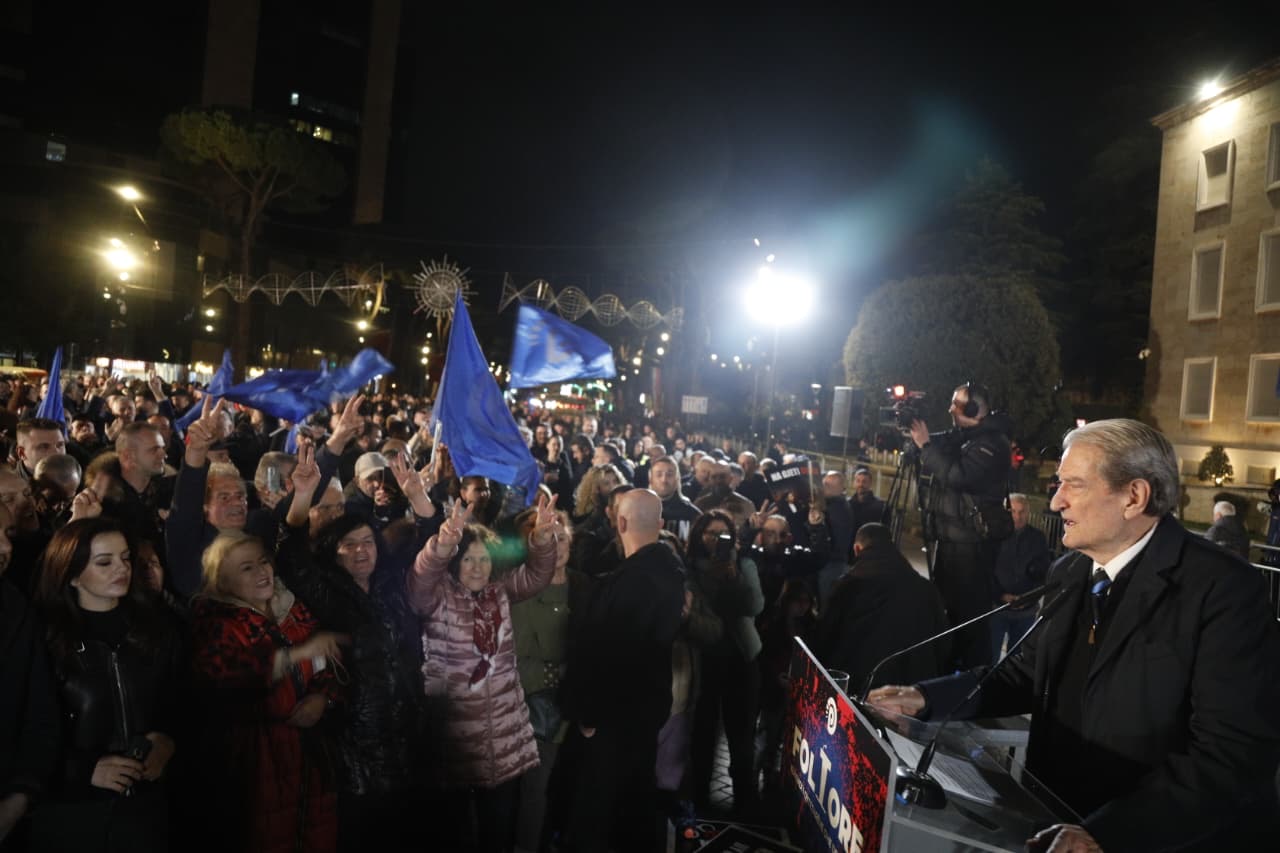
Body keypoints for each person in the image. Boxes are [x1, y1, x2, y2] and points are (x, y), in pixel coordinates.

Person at [870, 419, 1280, 852]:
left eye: (1074, 485)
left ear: (1133, 497)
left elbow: (1233, 755)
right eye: (1058, 484)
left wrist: (1107, 834)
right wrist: (925, 698)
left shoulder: (1224, 588)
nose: (1056, 502)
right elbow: (1024, 674)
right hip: (1056, 821)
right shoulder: (1068, 571)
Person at [277, 445, 430, 853]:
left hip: (407, 740)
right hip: (356, 752)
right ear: (332, 552)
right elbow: (289, 553)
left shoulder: (393, 587)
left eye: (368, 542)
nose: (362, 550)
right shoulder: (326, 594)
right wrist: (303, 497)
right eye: (350, 544)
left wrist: (418, 499)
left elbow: (435, 548)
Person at [407, 498, 563, 852]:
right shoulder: (437, 597)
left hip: (502, 741)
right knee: (455, 835)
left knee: (499, 834)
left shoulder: (500, 592)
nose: (476, 568)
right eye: (467, 559)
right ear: (454, 563)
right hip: (455, 743)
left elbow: (538, 575)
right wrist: (444, 543)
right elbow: (420, 579)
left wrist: (541, 537)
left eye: (483, 559)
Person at [30, 518, 182, 852]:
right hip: (71, 815)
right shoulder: (44, 641)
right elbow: (25, 734)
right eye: (104, 562)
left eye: (126, 558)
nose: (121, 569)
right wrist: (82, 771)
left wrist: (168, 741)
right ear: (71, 574)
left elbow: (180, 701)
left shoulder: (157, 630)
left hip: (146, 809)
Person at [188, 531, 345, 853]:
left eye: (263, 562)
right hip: (255, 765)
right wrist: (292, 656)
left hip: (312, 762)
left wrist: (323, 699)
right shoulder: (217, 624)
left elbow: (330, 670)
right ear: (222, 580)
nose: (263, 572)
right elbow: (225, 681)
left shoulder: (293, 612)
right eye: (247, 568)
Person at [550, 489, 686, 853]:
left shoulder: (631, 582)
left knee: (600, 814)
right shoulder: (670, 571)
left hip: (615, 720)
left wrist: (588, 714)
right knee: (633, 804)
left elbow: (610, 653)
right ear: (660, 524)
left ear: (620, 523)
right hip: (644, 711)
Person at [909, 381, 1012, 669]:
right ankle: (944, 675)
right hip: (952, 540)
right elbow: (944, 449)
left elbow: (958, 476)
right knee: (946, 615)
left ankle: (975, 683)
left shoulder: (992, 444)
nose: (950, 409)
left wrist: (926, 447)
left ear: (972, 409)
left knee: (969, 621)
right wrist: (919, 441)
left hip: (972, 546)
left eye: (956, 403)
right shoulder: (966, 437)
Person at [685, 509, 764, 816]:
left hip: (742, 659)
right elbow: (699, 612)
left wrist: (733, 578)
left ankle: (744, 797)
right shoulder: (690, 568)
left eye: (723, 535)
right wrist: (715, 580)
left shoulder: (743, 564)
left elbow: (755, 605)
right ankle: (700, 795)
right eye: (710, 534)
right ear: (699, 536)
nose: (716, 540)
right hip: (706, 659)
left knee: (741, 732)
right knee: (703, 731)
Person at [510, 508, 577, 853]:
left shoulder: (585, 586)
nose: (557, 545)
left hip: (577, 703)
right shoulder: (523, 590)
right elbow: (525, 652)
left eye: (561, 537)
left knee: (568, 785)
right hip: (538, 702)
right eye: (548, 538)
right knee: (536, 789)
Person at [813, 522, 948, 693]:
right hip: (910, 694)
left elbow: (823, 639)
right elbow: (943, 644)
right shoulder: (926, 589)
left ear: (857, 549)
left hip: (859, 690)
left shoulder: (846, 587)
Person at [0, 502, 58, 848]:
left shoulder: (13, 607)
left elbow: (40, 712)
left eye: (7, 535)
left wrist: (19, 798)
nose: (6, 548)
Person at [989, 493, 1051, 662]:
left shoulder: (1038, 538)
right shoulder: (994, 537)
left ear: (1028, 513)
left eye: (1022, 511)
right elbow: (987, 571)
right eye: (1013, 511)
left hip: (1026, 611)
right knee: (990, 658)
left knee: (1016, 660)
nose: (1017, 516)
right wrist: (1000, 595)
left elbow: (1044, 573)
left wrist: (1029, 598)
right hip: (997, 609)